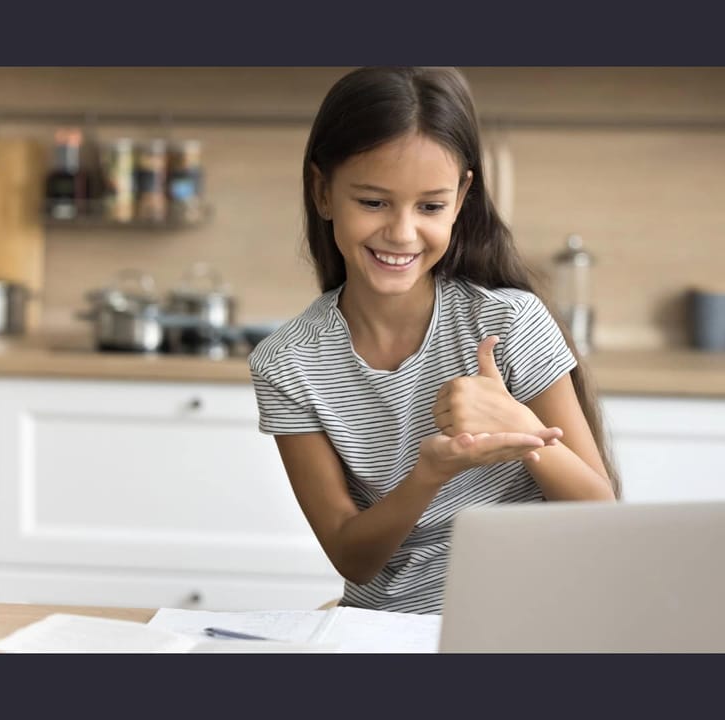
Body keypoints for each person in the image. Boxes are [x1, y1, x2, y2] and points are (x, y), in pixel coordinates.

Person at [249, 67, 619, 615]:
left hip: (529, 620)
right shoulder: (289, 364)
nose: (401, 233)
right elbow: (352, 557)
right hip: (388, 631)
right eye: (373, 202)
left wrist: (519, 428)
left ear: (462, 197)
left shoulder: (510, 321)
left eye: (429, 207)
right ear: (323, 192)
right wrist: (429, 474)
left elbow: (601, 515)